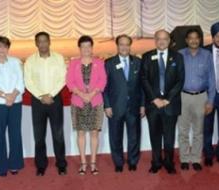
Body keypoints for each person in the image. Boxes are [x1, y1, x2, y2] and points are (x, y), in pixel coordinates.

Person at [141, 30, 185, 174]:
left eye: (164, 39)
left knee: (169, 136)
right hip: (153, 105)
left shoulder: (177, 57)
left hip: (170, 104)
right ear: (155, 40)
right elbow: (144, 79)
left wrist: (167, 99)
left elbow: (180, 80)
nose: (161, 41)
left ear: (169, 40)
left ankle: (169, 162)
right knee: (154, 135)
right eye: (159, 38)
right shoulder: (147, 56)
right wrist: (154, 99)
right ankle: (156, 162)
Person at [24, 32, 67, 176]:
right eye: (39, 42)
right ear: (36, 43)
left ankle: (61, 164)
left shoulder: (59, 58)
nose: (42, 44)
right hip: (38, 101)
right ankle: (41, 165)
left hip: (55, 100)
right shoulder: (30, 60)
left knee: (58, 134)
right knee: (39, 136)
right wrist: (41, 95)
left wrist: (51, 94)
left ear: (49, 42)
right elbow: (28, 81)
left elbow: (62, 78)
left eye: (45, 41)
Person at [0, 36, 25, 176]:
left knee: (15, 134)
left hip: (15, 103)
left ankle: (15, 164)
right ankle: (1, 167)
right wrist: (5, 96)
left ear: (8, 48)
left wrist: (12, 96)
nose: (2, 49)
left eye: (5, 47)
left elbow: (21, 82)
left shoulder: (15, 62)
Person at [103, 34, 144, 173]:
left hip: (134, 106)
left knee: (134, 136)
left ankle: (133, 161)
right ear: (117, 46)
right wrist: (107, 105)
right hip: (115, 107)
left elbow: (142, 86)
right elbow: (105, 87)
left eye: (127, 44)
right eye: (122, 44)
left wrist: (143, 105)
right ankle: (118, 163)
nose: (124, 47)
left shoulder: (138, 62)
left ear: (130, 46)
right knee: (115, 136)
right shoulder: (109, 63)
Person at [66, 35, 106, 175]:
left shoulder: (99, 63)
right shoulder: (73, 63)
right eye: (83, 46)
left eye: (88, 46)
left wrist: (91, 94)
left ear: (92, 47)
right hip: (78, 102)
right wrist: (82, 95)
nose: (86, 49)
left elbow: (103, 81)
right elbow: (69, 82)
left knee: (94, 133)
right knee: (81, 133)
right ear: (79, 48)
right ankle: (83, 163)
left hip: (95, 102)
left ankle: (93, 163)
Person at [178, 29, 215, 171]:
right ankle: (184, 158)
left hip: (201, 97)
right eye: (191, 38)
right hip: (183, 97)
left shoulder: (207, 55)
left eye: (196, 38)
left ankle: (195, 158)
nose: (194, 41)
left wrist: (210, 101)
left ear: (200, 40)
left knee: (199, 131)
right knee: (183, 130)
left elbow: (211, 79)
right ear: (186, 40)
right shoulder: (180, 54)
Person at [204, 21, 219, 167]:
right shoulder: (204, 52)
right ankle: (208, 154)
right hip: (208, 96)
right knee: (207, 126)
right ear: (212, 36)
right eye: (217, 36)